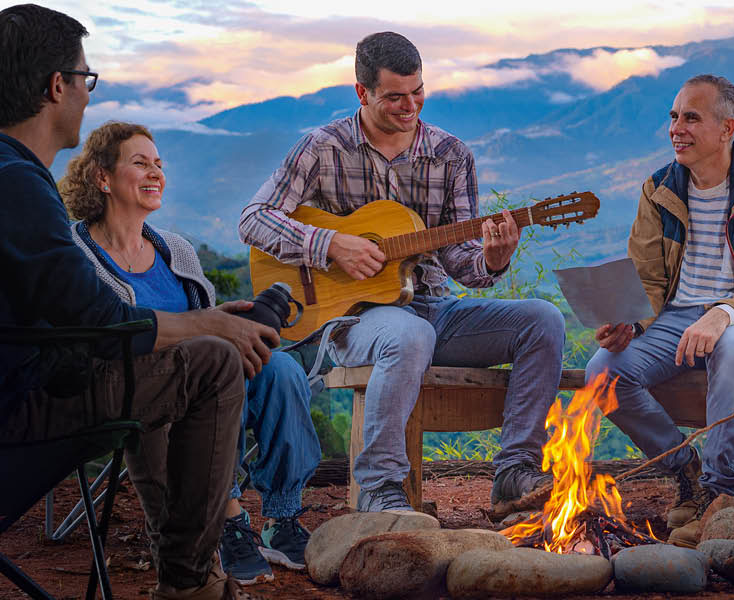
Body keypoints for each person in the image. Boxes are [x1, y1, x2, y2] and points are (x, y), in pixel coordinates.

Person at [0, 5, 277, 599]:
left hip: (30, 379)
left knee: (180, 358)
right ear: (57, 86)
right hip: (20, 408)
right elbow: (100, 324)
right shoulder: (18, 183)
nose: (85, 93)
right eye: (85, 78)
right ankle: (189, 583)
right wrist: (205, 325)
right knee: (210, 363)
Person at [239, 32, 565, 515]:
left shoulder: (451, 155)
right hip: (351, 318)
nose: (409, 105)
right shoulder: (321, 148)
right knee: (408, 334)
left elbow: (463, 266)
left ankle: (514, 473)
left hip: (431, 308)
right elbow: (253, 219)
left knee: (543, 320)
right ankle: (380, 486)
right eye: (394, 96)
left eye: (417, 92)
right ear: (361, 92)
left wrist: (494, 258)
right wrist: (330, 245)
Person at [60, 121, 322, 586]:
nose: (155, 172)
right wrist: (208, 336)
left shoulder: (174, 249)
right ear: (103, 178)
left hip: (205, 366)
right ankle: (226, 518)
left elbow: (199, 317)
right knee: (218, 370)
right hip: (138, 387)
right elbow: (101, 339)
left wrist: (231, 316)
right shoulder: (77, 255)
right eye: (139, 163)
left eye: (159, 163)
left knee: (280, 368)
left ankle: (281, 518)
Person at [584, 74, 734, 548]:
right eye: (674, 117)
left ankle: (720, 492)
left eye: (691, 117)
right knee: (602, 371)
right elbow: (650, 279)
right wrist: (630, 321)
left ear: (726, 128)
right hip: (675, 318)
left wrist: (723, 315)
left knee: (731, 347)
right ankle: (684, 470)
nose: (677, 128)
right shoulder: (658, 189)